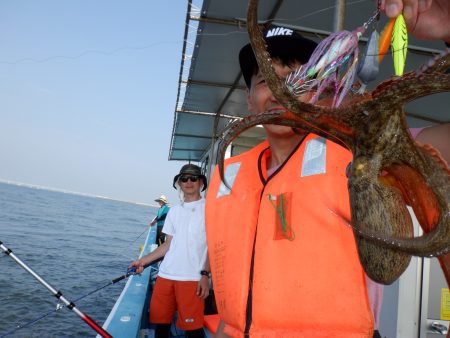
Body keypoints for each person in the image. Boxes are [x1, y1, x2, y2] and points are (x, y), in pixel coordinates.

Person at [205, 1, 450, 337]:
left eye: (299, 78)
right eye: (266, 80)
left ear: (325, 92)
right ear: (248, 98)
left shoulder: (362, 150)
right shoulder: (227, 174)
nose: (282, 91)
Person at [130, 164, 211, 338]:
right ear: (179, 184)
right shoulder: (174, 211)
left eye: (193, 178)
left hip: (192, 278)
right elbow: (167, 245)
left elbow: (213, 246)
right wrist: (143, 261)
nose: (188, 182)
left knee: (194, 329)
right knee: (160, 324)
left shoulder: (211, 209)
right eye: (184, 179)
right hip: (165, 275)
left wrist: (205, 274)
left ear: (201, 182)